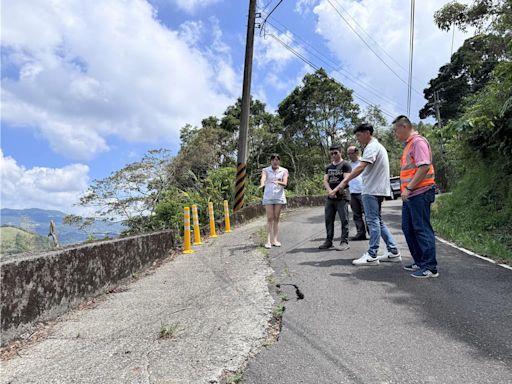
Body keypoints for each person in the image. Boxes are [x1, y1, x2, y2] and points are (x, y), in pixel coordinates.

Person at [335, 123, 401, 265]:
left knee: (372, 221)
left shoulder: (372, 147)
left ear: (367, 133)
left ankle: (372, 254)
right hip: (377, 189)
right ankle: (393, 251)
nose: (358, 139)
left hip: (371, 189)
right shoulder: (377, 146)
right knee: (378, 221)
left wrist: (344, 182)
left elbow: (361, 167)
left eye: (359, 135)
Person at [393, 115, 438, 278]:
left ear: (403, 127)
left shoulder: (418, 142)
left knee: (422, 228)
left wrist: (409, 188)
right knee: (408, 228)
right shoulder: (409, 145)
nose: (395, 134)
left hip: (419, 192)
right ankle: (420, 261)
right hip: (411, 195)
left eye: (395, 130)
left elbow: (424, 166)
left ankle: (430, 267)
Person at [319, 145, 351, 251]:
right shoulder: (328, 167)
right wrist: (330, 191)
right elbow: (325, 180)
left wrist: (335, 190)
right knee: (328, 219)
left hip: (342, 197)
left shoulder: (346, 165)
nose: (333, 155)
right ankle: (328, 241)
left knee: (344, 219)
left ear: (340, 152)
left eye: (335, 153)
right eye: (332, 153)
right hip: (330, 197)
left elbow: (345, 180)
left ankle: (344, 242)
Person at [259, 153, 289, 249]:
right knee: (270, 218)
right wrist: (262, 184)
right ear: (270, 161)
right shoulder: (265, 170)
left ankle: (275, 240)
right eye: (273, 160)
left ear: (279, 161)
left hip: (279, 197)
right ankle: (268, 241)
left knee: (276, 218)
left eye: (277, 160)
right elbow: (263, 178)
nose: (275, 161)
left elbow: (285, 183)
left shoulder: (284, 170)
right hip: (268, 197)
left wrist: (278, 182)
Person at [347, 145, 367, 241]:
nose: (349, 156)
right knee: (356, 214)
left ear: (356, 153)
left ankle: (373, 233)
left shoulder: (363, 162)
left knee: (367, 213)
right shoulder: (348, 165)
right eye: (348, 154)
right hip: (352, 192)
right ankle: (360, 233)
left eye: (351, 153)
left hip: (364, 191)